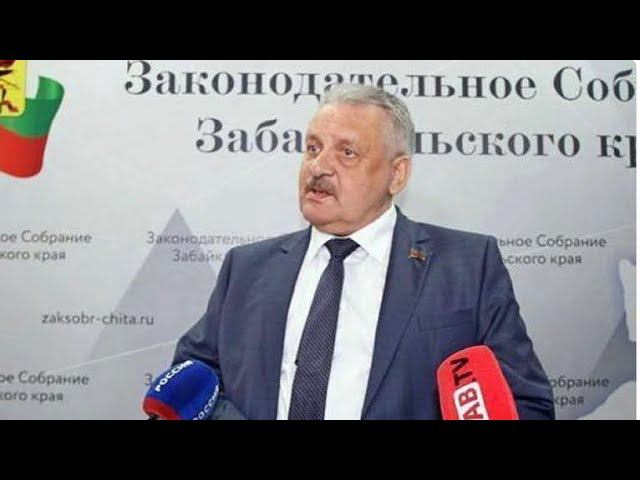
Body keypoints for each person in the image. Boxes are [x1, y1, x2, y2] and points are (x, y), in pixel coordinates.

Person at [173, 84, 555, 420]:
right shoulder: (247, 268)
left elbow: (525, 403)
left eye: (347, 153)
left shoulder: (467, 266)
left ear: (397, 174)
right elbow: (191, 384)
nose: (318, 167)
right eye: (313, 148)